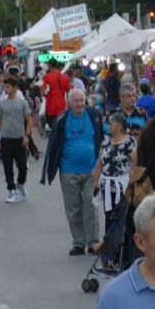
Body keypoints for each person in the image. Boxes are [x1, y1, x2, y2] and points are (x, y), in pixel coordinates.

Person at [42, 89, 104, 255]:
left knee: (91, 204)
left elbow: (101, 137)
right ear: (69, 103)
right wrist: (49, 170)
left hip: (91, 169)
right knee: (73, 208)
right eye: (76, 101)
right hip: (69, 170)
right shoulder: (62, 119)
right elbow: (53, 146)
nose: (79, 104)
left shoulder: (94, 114)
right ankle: (78, 242)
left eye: (82, 100)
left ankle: (93, 242)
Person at [92, 112, 136, 228]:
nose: (108, 126)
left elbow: (136, 163)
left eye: (110, 124)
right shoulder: (106, 141)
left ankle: (123, 244)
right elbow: (100, 163)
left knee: (122, 217)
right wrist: (96, 181)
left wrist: (132, 182)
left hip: (123, 185)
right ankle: (110, 243)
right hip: (107, 185)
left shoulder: (129, 141)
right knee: (109, 215)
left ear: (119, 125)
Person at [0, 75, 32, 204]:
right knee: (7, 166)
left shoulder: (22, 103)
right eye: (4, 86)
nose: (6, 89)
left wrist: (27, 136)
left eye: (8, 86)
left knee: (22, 166)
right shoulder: (1, 104)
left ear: (15, 88)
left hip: (20, 138)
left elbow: (29, 120)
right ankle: (11, 190)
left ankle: (20, 184)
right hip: (6, 139)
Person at [42, 60, 71, 129]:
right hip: (62, 107)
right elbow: (69, 92)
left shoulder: (47, 77)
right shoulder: (65, 77)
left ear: (49, 65)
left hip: (51, 107)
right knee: (61, 129)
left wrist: (47, 96)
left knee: (53, 129)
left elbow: (43, 91)